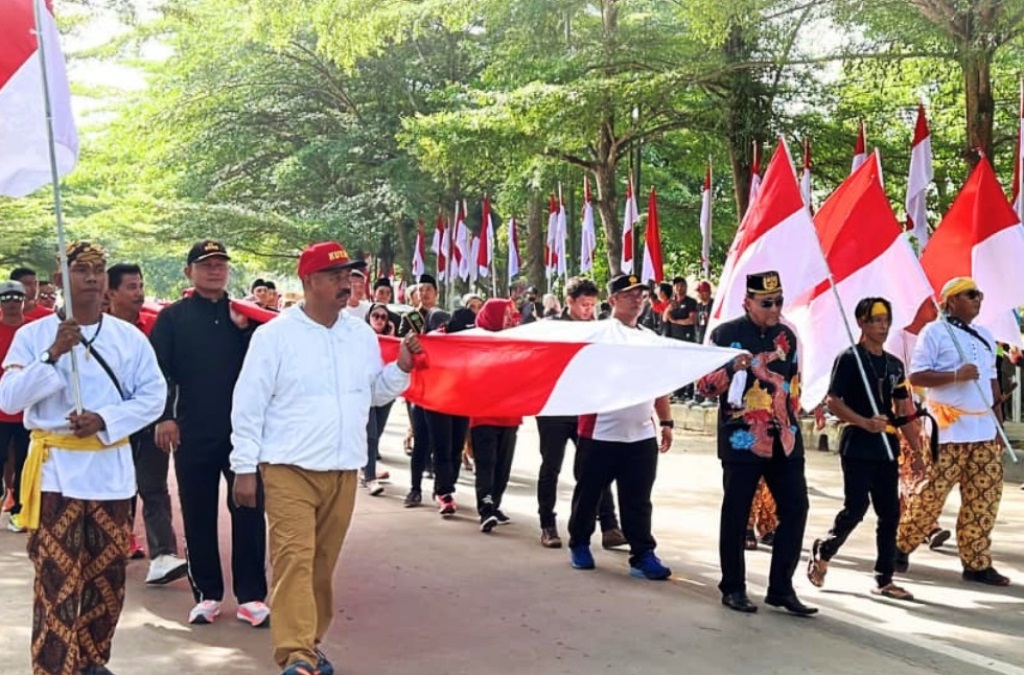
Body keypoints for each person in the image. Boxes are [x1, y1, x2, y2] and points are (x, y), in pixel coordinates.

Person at [230, 241, 420, 675]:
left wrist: (402, 368)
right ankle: (295, 655)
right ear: (308, 281)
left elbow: (371, 393)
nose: (345, 284)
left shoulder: (360, 334)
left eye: (349, 277)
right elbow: (248, 405)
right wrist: (244, 467)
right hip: (287, 468)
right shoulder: (274, 336)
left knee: (321, 563)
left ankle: (311, 645)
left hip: (342, 468)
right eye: (334, 277)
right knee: (294, 558)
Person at [0, 242, 166, 675]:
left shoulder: (128, 338)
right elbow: (10, 397)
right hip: (56, 473)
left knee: (106, 578)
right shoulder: (32, 337)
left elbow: (153, 396)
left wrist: (106, 419)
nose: (91, 277)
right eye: (80, 269)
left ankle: (92, 662)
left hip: (110, 473)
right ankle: (54, 667)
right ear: (60, 279)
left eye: (98, 269)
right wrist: (52, 355)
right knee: (58, 581)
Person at [150, 240, 270, 626]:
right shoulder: (173, 318)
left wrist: (244, 331)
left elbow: (265, 366)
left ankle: (251, 595)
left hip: (244, 433)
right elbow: (159, 373)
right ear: (189, 272)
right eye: (206, 265)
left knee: (248, 511)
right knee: (198, 511)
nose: (215, 270)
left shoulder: (246, 317)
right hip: (192, 431)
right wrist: (166, 416)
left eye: (221, 264)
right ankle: (207, 594)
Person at [697, 271, 816, 616]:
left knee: (796, 508)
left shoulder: (787, 336)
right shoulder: (725, 334)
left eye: (779, 301)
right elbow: (705, 388)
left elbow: (792, 382)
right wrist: (734, 368)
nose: (775, 308)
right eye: (767, 303)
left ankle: (781, 587)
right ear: (747, 302)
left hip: (784, 435)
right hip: (742, 437)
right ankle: (733, 586)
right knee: (737, 512)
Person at [895, 277, 1010, 586]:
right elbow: (917, 376)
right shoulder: (934, 332)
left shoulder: (986, 335)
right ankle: (900, 546)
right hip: (947, 430)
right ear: (951, 301)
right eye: (970, 294)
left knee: (984, 497)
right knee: (931, 495)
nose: (978, 299)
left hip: (983, 430)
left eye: (979, 294)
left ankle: (976, 562)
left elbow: (991, 380)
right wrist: (956, 375)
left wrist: (998, 422)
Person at [806, 297, 922, 600]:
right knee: (856, 508)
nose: (882, 326)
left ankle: (885, 577)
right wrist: (863, 420)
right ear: (861, 323)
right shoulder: (850, 359)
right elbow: (833, 400)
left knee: (890, 513)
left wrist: (918, 452)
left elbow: (904, 410)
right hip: (858, 443)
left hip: (886, 446)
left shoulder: (895, 365)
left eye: (886, 320)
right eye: (875, 320)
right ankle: (825, 549)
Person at [567, 274, 674, 580]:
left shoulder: (650, 339)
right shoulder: (598, 334)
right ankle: (580, 543)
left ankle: (642, 554)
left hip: (640, 433)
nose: (637, 299)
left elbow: (660, 385)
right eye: (629, 295)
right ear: (612, 301)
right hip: (600, 431)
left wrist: (665, 421)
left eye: (641, 294)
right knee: (589, 493)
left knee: (638, 498)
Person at [106, 263, 189, 585]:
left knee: (153, 487)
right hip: (109, 424)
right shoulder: (95, 330)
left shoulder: (155, 326)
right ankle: (112, 547)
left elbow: (167, 375)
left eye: (140, 285)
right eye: (131, 287)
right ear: (110, 292)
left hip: (150, 419)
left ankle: (163, 555)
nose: (139, 293)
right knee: (117, 490)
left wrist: (165, 415)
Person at [535, 276, 626, 550]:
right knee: (551, 465)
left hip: (587, 408)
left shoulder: (599, 330)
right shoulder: (552, 329)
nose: (588, 310)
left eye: (592, 305)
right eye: (584, 305)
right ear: (569, 302)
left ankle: (609, 525)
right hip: (554, 408)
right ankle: (548, 525)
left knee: (596, 466)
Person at [471, 299, 522, 532]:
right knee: (486, 463)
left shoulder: (516, 341)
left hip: (509, 415)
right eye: (506, 314)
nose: (511, 318)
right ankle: (485, 508)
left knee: (503, 465)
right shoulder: (476, 342)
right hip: (483, 414)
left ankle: (495, 503)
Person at [0, 281, 30, 533]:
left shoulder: (31, 331)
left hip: (27, 412)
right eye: (5, 298)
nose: (11, 302)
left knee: (24, 463)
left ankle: (19, 511)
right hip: (0, 411)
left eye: (15, 297)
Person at [364, 301, 397, 496]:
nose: (379, 320)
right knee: (371, 435)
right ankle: (370, 477)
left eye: (383, 317)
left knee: (377, 435)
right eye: (375, 315)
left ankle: (365, 467)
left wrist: (391, 337)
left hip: (385, 393)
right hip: (366, 393)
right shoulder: (361, 337)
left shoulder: (391, 340)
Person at [663, 277, 698, 401]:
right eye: (677, 286)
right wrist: (669, 309)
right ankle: (678, 391)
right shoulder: (672, 303)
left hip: (687, 338)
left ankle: (689, 392)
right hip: (674, 339)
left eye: (681, 285)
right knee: (676, 366)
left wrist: (676, 321)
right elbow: (664, 318)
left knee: (688, 365)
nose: (679, 288)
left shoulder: (691, 302)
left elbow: (692, 320)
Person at [695, 280, 713, 345]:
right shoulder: (698, 306)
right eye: (699, 292)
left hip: (711, 338)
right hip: (700, 338)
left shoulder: (713, 305)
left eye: (703, 292)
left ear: (709, 292)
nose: (700, 294)